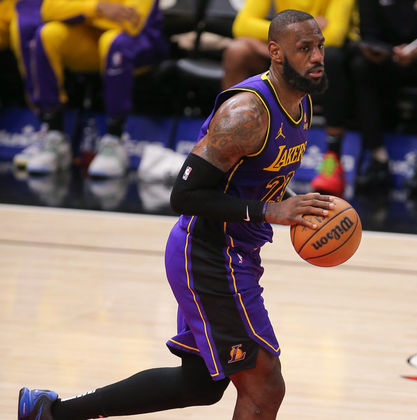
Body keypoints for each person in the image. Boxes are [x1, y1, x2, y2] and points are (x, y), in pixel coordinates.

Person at [18, 9, 335, 420]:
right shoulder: (248, 113)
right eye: (304, 48)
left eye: (320, 47)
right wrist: (271, 210)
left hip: (235, 252)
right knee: (265, 385)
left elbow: (258, 176)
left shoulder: (301, 103)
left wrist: (294, 204)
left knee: (201, 383)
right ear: (275, 52)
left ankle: (51, 413)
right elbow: (184, 194)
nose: (317, 57)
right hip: (207, 254)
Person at [16, 0, 167, 177]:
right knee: (47, 34)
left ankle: (115, 139)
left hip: (140, 42)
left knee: (113, 42)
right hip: (91, 38)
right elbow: (48, 10)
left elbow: (131, 23)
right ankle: (54, 135)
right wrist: (97, 7)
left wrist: (78, 12)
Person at [222, 0, 355, 197]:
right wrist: (291, 38)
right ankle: (230, 137)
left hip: (313, 57)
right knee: (238, 50)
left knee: (333, 58)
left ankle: (332, 157)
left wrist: (292, 40)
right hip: (283, 52)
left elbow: (334, 36)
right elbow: (241, 25)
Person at [351, 0, 417, 192]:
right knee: (360, 66)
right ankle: (377, 157)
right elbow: (368, 33)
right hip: (386, 58)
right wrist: (381, 50)